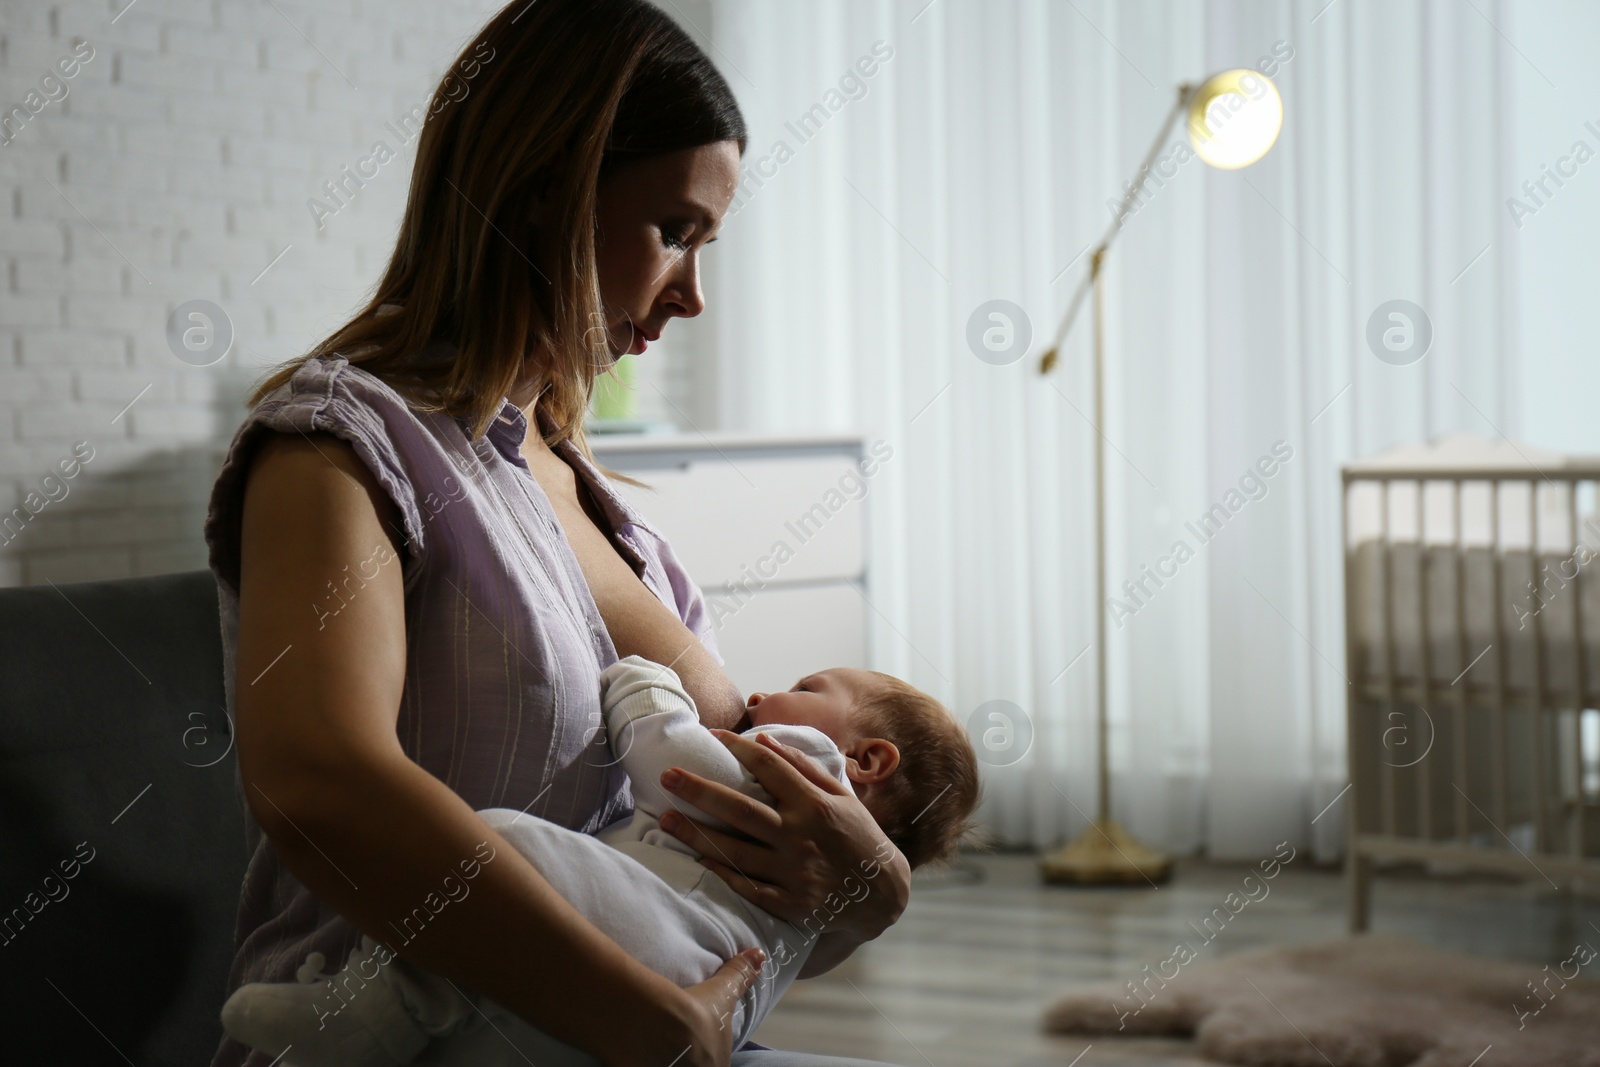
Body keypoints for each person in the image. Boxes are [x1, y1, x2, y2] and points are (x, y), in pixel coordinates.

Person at [201, 3, 918, 1065]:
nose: (693, 296)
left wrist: (870, 890)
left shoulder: (598, 503)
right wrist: (648, 1015)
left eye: (706, 244)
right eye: (673, 231)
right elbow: (318, 783)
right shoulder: (338, 448)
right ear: (544, 195)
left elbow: (696, 877)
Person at [218, 658, 983, 1066]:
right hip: (693, 992)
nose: (763, 689)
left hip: (667, 947)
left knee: (496, 847)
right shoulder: (824, 887)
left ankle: (369, 1018)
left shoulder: (812, 770)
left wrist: (644, 692)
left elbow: (684, 770)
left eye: (805, 686)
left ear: (867, 759)